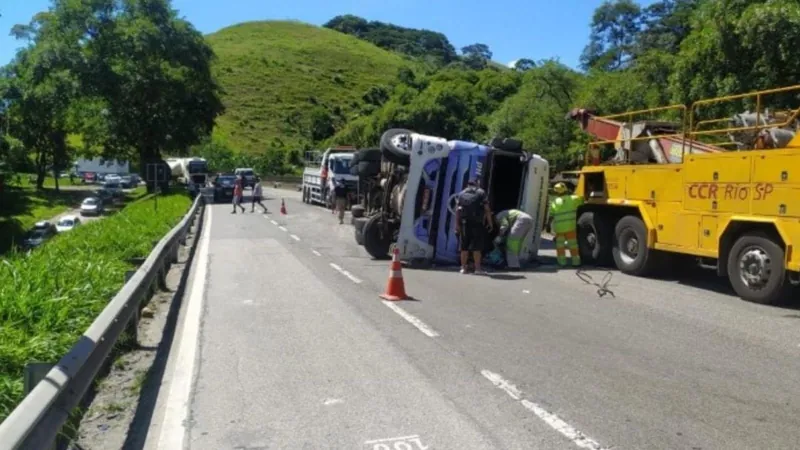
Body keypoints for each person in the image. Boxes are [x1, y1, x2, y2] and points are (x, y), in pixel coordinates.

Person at [455, 179, 493, 275]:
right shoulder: (481, 192)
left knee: (464, 246)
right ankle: (477, 269)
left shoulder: (461, 194)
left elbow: (457, 211)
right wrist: (490, 223)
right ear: (477, 183)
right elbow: (487, 209)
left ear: (467, 184)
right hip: (477, 223)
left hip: (464, 223)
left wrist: (457, 225)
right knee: (477, 247)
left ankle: (463, 268)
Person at [549, 182, 583, 267]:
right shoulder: (574, 199)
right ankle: (576, 262)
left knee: (560, 246)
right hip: (570, 227)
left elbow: (551, 215)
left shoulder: (555, 202)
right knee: (573, 245)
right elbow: (583, 200)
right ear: (566, 189)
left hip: (559, 228)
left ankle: (562, 263)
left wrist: (548, 225)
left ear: (556, 192)